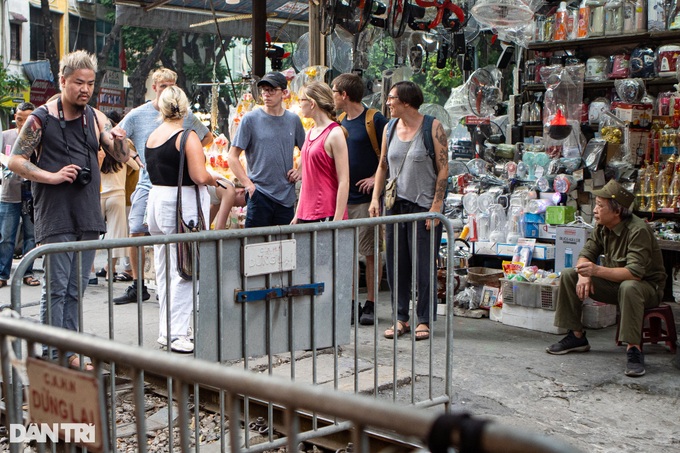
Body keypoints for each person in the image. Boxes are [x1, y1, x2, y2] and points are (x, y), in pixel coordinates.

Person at [8, 50, 129, 368]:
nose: (85, 89)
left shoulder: (94, 116)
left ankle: (70, 351)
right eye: (79, 83)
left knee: (76, 289)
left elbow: (119, 152)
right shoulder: (41, 118)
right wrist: (51, 176)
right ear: (63, 81)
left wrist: (120, 139)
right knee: (57, 288)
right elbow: (16, 160)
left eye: (90, 83)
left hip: (87, 215)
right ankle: (51, 353)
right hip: (56, 215)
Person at [546, 180, 666, 377]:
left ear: (617, 211)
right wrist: (585, 274)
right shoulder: (602, 227)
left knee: (630, 286)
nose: (595, 210)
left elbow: (634, 273)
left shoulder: (638, 230)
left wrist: (595, 271)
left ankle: (633, 349)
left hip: (647, 288)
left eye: (600, 206)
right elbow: (586, 253)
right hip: (616, 284)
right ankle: (576, 336)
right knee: (570, 275)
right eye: (596, 204)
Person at [114, 68, 213, 305]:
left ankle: (172, 289)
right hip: (150, 184)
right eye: (163, 86)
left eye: (172, 86)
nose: (167, 90)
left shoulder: (185, 116)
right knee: (137, 229)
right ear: (154, 88)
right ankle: (139, 284)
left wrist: (191, 154)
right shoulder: (139, 115)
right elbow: (117, 138)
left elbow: (207, 137)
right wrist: (132, 158)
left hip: (176, 186)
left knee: (175, 242)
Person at [368, 81, 448, 341]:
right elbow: (382, 166)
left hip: (422, 207)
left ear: (406, 102)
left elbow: (443, 169)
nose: (388, 103)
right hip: (394, 206)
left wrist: (435, 207)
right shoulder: (389, 128)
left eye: (391, 98)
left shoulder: (432, 127)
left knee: (423, 265)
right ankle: (400, 317)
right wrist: (375, 199)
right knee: (395, 264)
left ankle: (423, 319)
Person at [145, 86, 216, 353]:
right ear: (185, 108)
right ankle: (176, 333)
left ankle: (167, 330)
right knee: (187, 269)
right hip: (180, 202)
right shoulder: (187, 136)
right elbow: (199, 175)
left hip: (157, 200)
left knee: (164, 269)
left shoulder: (153, 135)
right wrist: (214, 179)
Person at [332, 73, 388, 325]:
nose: (332, 96)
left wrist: (375, 179)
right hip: (345, 199)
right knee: (349, 253)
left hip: (368, 200)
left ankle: (372, 303)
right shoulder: (340, 121)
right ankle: (353, 301)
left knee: (370, 252)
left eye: (334, 91)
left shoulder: (374, 119)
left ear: (344, 95)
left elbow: (388, 157)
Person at [226, 72, 306, 227]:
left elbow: (307, 150)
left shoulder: (293, 120)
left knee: (284, 246)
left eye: (272, 90)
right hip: (260, 193)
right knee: (255, 246)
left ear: (284, 93)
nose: (266, 94)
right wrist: (248, 185)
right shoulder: (250, 119)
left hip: (286, 195)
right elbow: (232, 156)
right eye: (264, 90)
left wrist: (300, 170)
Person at [292, 82, 349, 224]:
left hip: (326, 211)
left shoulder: (335, 133)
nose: (299, 104)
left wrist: (337, 220)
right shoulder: (311, 131)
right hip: (306, 212)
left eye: (301, 100)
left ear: (312, 103)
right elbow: (307, 178)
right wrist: (298, 214)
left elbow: (344, 180)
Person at [0, 102, 40, 288]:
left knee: (31, 235)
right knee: (6, 236)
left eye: (27, 119)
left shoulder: (38, 136)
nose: (23, 122)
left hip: (32, 192)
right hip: (9, 192)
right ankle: (2, 273)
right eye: (19, 118)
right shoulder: (5, 136)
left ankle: (28, 273)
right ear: (14, 117)